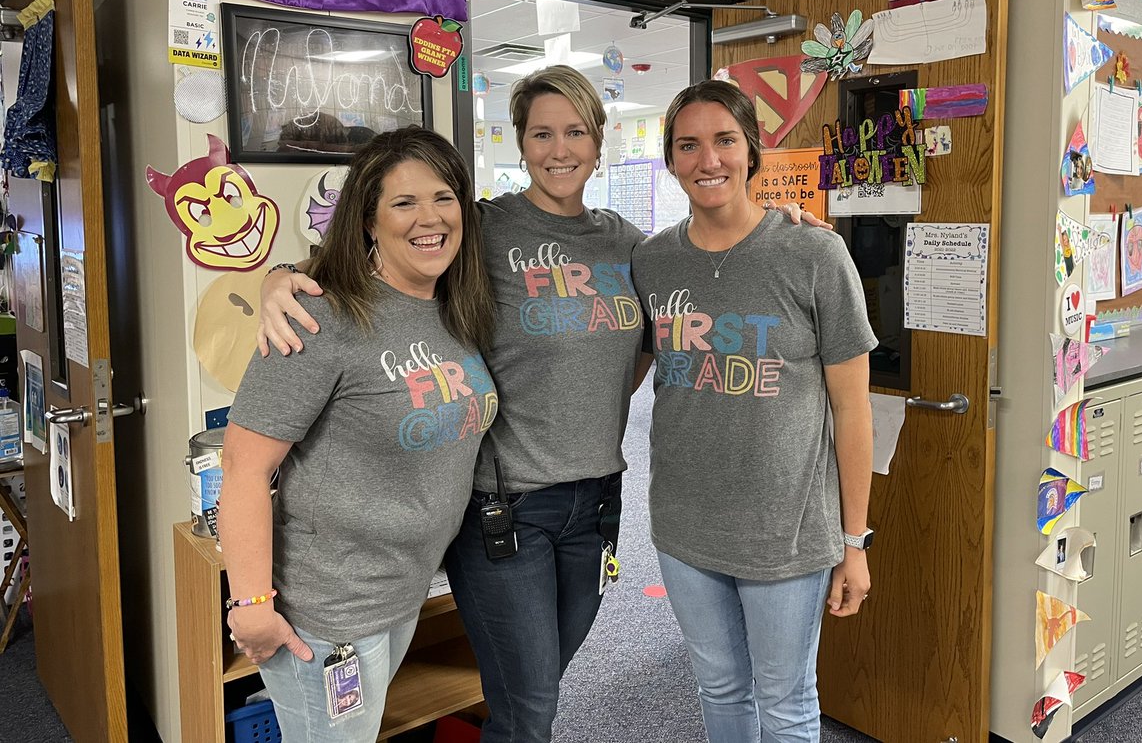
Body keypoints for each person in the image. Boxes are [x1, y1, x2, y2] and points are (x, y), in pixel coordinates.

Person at [257, 66, 828, 742]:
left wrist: (786, 230)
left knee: (543, 684)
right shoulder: (482, 227)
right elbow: (375, 250)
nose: (560, 149)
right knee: (529, 708)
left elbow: (668, 325)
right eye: (541, 133)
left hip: (597, 503)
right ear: (521, 143)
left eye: (576, 132)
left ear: (598, 141)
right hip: (509, 509)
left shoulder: (629, 243)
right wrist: (282, 279)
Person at [220, 127, 497, 742]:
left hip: (403, 591)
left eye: (444, 197)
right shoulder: (318, 315)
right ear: (368, 220)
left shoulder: (455, 307)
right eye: (404, 203)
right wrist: (251, 606)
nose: (429, 218)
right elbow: (241, 466)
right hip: (330, 608)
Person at [631, 80, 876, 743]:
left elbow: (853, 412)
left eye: (724, 141)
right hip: (685, 524)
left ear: (752, 152)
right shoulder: (652, 261)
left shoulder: (813, 253)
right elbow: (619, 369)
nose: (707, 159)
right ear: (672, 160)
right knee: (718, 687)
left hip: (785, 530)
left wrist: (855, 544)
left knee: (787, 699)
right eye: (689, 145)